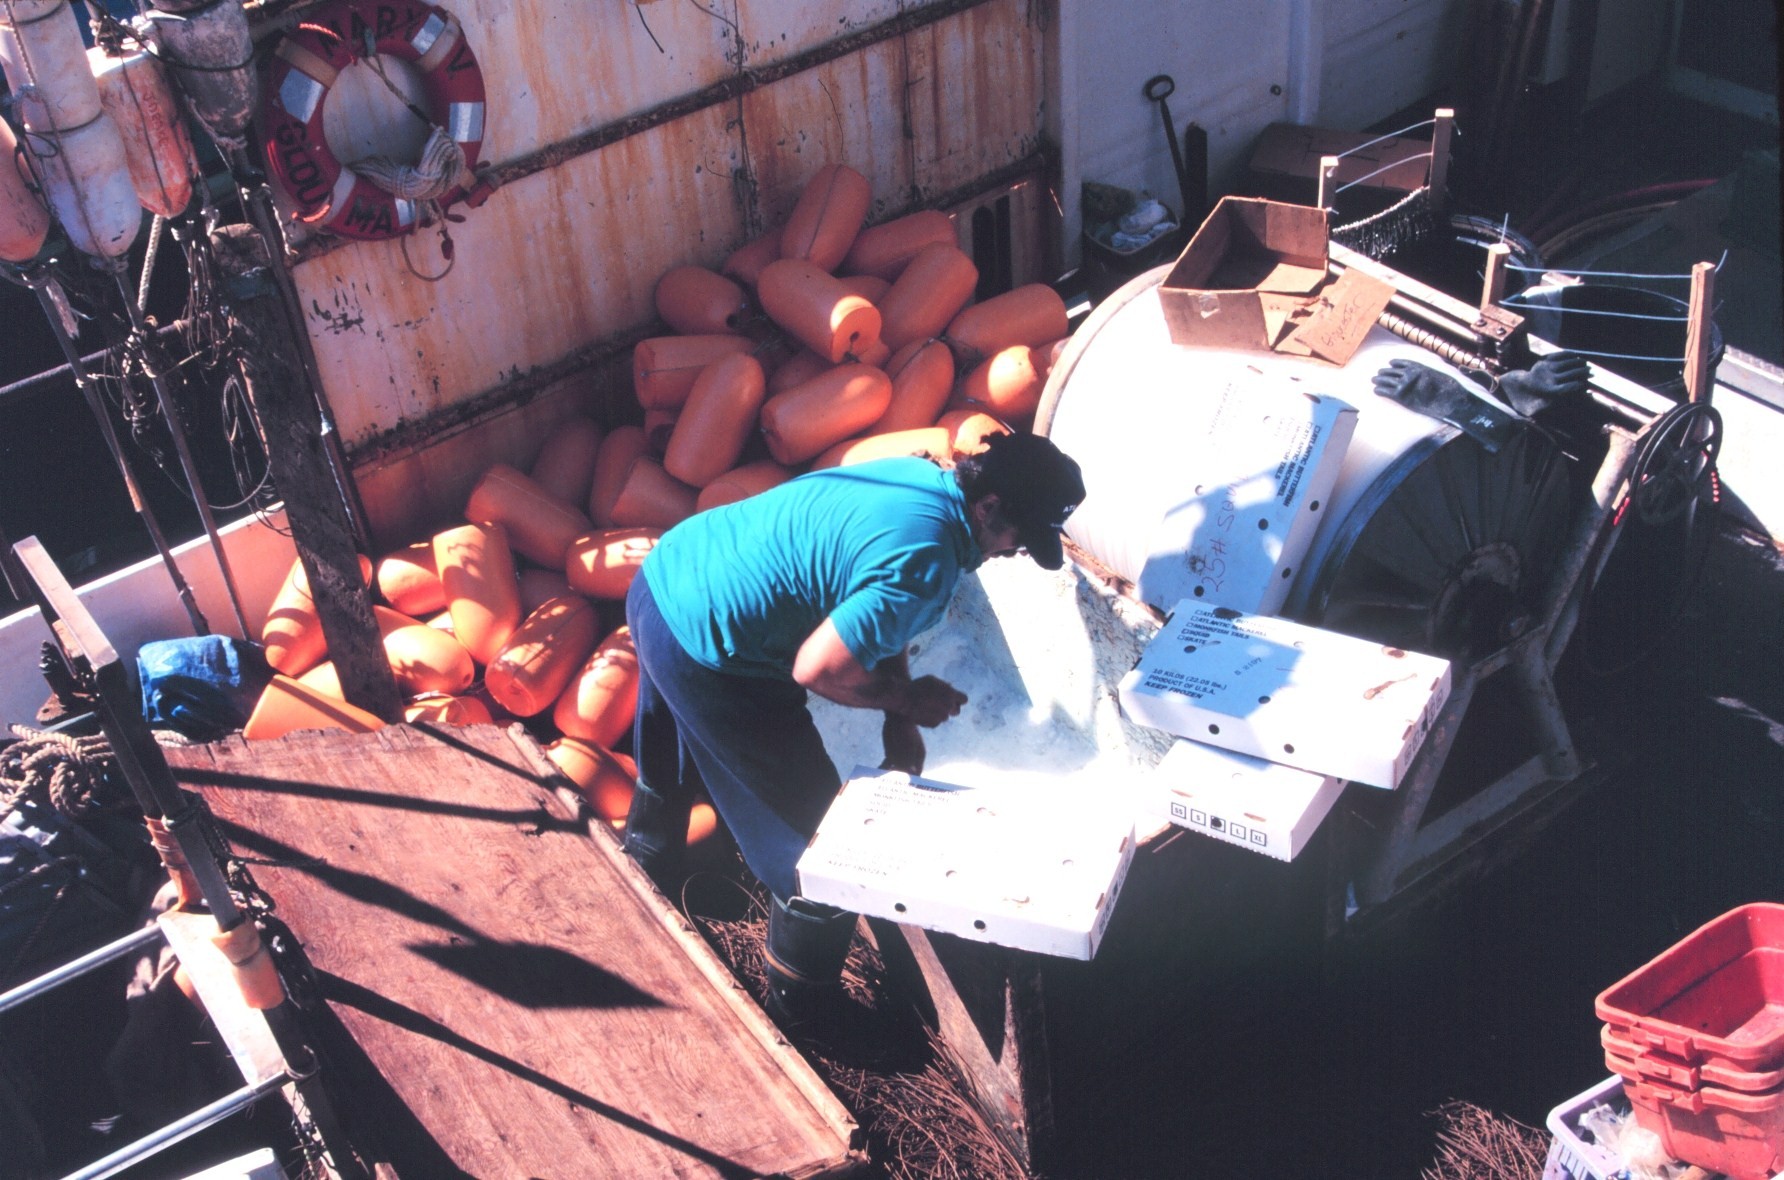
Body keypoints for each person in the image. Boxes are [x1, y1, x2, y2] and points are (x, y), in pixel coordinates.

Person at [621, 430, 1086, 1025]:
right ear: (990, 506)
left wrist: (900, 712)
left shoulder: (919, 478)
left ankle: (644, 869)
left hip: (666, 579)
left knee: (672, 753)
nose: (1014, 550)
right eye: (1018, 538)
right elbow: (817, 668)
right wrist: (908, 700)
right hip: (708, 646)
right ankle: (803, 1013)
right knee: (825, 855)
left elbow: (873, 604)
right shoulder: (928, 560)